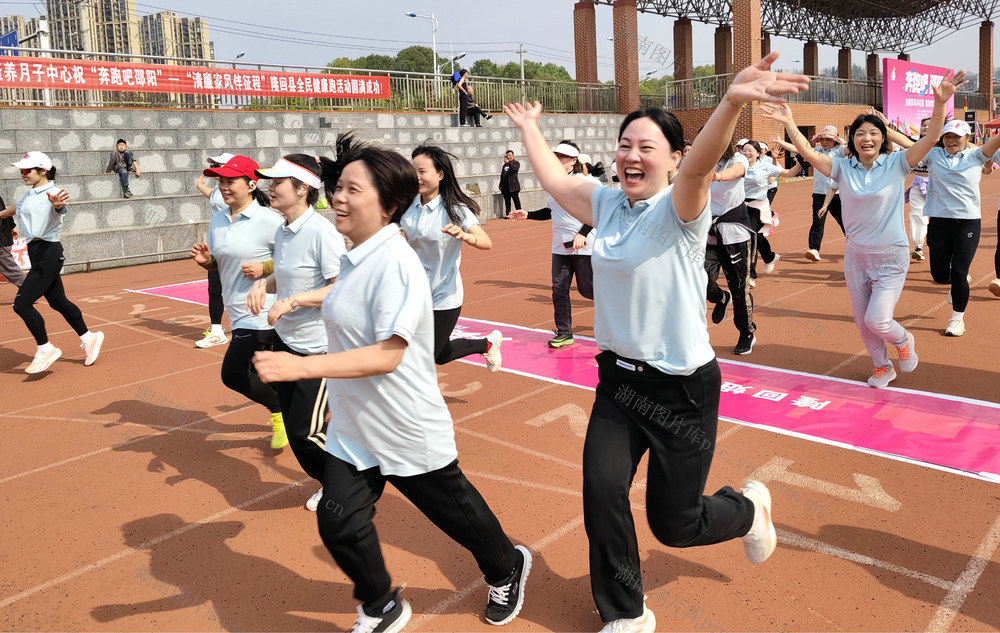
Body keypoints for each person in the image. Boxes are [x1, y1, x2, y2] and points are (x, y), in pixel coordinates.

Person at [504, 50, 806, 632]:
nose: (631, 155)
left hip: (681, 390)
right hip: (618, 381)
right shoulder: (605, 201)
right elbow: (550, 178)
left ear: (671, 157)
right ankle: (626, 611)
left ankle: (746, 511)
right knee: (601, 492)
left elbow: (699, 169)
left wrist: (730, 102)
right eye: (625, 144)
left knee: (677, 525)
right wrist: (529, 128)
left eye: (646, 147)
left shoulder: (680, 208)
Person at [252, 144, 531, 633]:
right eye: (338, 188)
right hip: (355, 431)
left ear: (389, 204)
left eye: (352, 190)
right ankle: (381, 606)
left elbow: (388, 354)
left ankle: (507, 566)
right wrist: (286, 294)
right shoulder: (356, 256)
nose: (337, 198)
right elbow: (336, 300)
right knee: (338, 522)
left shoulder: (397, 265)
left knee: (460, 518)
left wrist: (299, 368)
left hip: (406, 427)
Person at [762, 68, 965, 388]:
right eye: (860, 133)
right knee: (862, 320)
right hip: (856, 256)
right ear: (853, 140)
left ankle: (903, 340)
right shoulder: (841, 167)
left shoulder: (899, 163)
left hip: (891, 256)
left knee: (878, 319)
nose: (866, 137)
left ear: (883, 138)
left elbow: (929, 137)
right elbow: (809, 153)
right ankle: (882, 366)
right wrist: (789, 124)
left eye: (873, 132)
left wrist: (939, 105)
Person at [247, 151, 347, 511]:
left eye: (278, 183)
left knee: (307, 433)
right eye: (270, 182)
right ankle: (331, 483)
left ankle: (349, 486)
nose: (270, 189)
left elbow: (340, 288)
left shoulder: (322, 233)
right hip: (286, 342)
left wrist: (293, 302)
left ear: (303, 188)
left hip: (317, 350)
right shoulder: (283, 229)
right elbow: (289, 276)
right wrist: (265, 284)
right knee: (295, 430)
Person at [189, 155, 288, 448]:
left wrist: (265, 268)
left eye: (231, 181)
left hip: (264, 309)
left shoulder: (270, 220)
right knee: (263, 370)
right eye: (220, 181)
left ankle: (280, 411)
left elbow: (291, 260)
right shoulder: (218, 219)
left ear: (251, 183)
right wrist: (206, 261)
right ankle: (304, 411)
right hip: (235, 309)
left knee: (233, 374)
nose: (224, 186)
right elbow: (220, 263)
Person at [888, 118, 1000, 336]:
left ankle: (957, 319)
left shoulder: (976, 155)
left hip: (967, 222)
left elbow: (995, 141)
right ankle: (956, 281)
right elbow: (907, 142)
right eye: (947, 136)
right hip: (939, 221)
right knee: (940, 275)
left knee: (959, 271)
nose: (951, 141)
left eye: (956, 137)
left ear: (967, 139)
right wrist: (882, 125)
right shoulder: (934, 155)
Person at [0, 151, 104, 373]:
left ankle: (45, 348)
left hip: (49, 252)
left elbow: (60, 207)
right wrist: (1, 214)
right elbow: (15, 208)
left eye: (28, 170)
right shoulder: (28, 194)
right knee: (58, 302)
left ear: (43, 170)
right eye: (21, 170)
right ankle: (89, 337)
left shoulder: (54, 192)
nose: (23, 174)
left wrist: (58, 205)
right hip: (36, 252)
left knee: (21, 304)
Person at [404, 145, 503, 371]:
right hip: (414, 292)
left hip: (444, 294)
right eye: (413, 171)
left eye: (422, 171)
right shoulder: (408, 207)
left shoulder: (455, 209)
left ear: (440, 174)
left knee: (424, 358)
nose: (416, 177)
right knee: (439, 354)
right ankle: (487, 344)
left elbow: (486, 242)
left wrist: (466, 236)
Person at [510, 140, 594, 348]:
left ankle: (620, 322)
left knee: (588, 290)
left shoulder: (582, 183)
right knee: (559, 289)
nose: (556, 160)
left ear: (573, 160)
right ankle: (564, 332)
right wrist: (528, 214)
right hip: (560, 247)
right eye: (555, 156)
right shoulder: (553, 184)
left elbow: (596, 212)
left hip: (583, 246)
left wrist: (582, 233)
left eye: (562, 157)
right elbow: (550, 211)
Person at [706, 138, 755, 354]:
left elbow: (735, 172)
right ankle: (720, 297)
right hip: (708, 234)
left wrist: (716, 176)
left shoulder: (737, 158)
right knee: (701, 281)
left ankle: (747, 332)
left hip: (735, 234)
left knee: (739, 286)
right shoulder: (700, 162)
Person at [775, 126, 846, 261]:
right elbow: (798, 149)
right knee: (817, 222)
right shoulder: (816, 151)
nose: (824, 142)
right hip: (819, 193)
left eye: (828, 139)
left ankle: (855, 245)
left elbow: (852, 149)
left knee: (845, 222)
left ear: (835, 140)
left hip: (838, 193)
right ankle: (814, 249)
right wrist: (781, 141)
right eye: (822, 139)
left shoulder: (841, 151)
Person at [741, 140, 800, 279]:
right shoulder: (737, 166)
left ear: (757, 153)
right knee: (753, 237)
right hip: (740, 206)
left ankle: (750, 275)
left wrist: (801, 162)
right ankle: (770, 257)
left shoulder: (766, 167)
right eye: (744, 150)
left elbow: (790, 173)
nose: (747, 153)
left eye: (750, 150)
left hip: (757, 206)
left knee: (751, 237)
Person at [194, 152, 235, 348]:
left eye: (219, 165)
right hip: (217, 247)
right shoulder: (220, 191)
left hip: (234, 247)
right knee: (215, 289)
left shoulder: (231, 193)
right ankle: (217, 330)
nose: (215, 169)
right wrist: (201, 187)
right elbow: (213, 195)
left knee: (237, 289)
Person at [906, 118, 932, 262]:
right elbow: (904, 138)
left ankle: (937, 245)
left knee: (937, 218)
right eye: (923, 125)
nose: (926, 127)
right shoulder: (913, 144)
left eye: (929, 125)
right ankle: (918, 246)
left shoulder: (940, 146)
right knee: (917, 214)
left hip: (936, 187)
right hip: (917, 185)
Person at [0, 192, 26, 288]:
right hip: (3, 237)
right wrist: (11, 227)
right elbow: (5, 211)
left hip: (1, 241)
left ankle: (30, 292)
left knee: (11, 270)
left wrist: (11, 227)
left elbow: (3, 213)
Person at [499, 149, 522, 218]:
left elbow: (515, 169)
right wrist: (500, 185)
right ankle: (508, 214)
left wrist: (509, 162)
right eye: (507, 155)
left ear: (513, 156)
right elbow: (502, 175)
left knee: (516, 200)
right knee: (507, 201)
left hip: (513, 187)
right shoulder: (504, 165)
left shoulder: (516, 163)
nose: (508, 156)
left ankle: (520, 213)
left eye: (510, 155)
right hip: (505, 187)